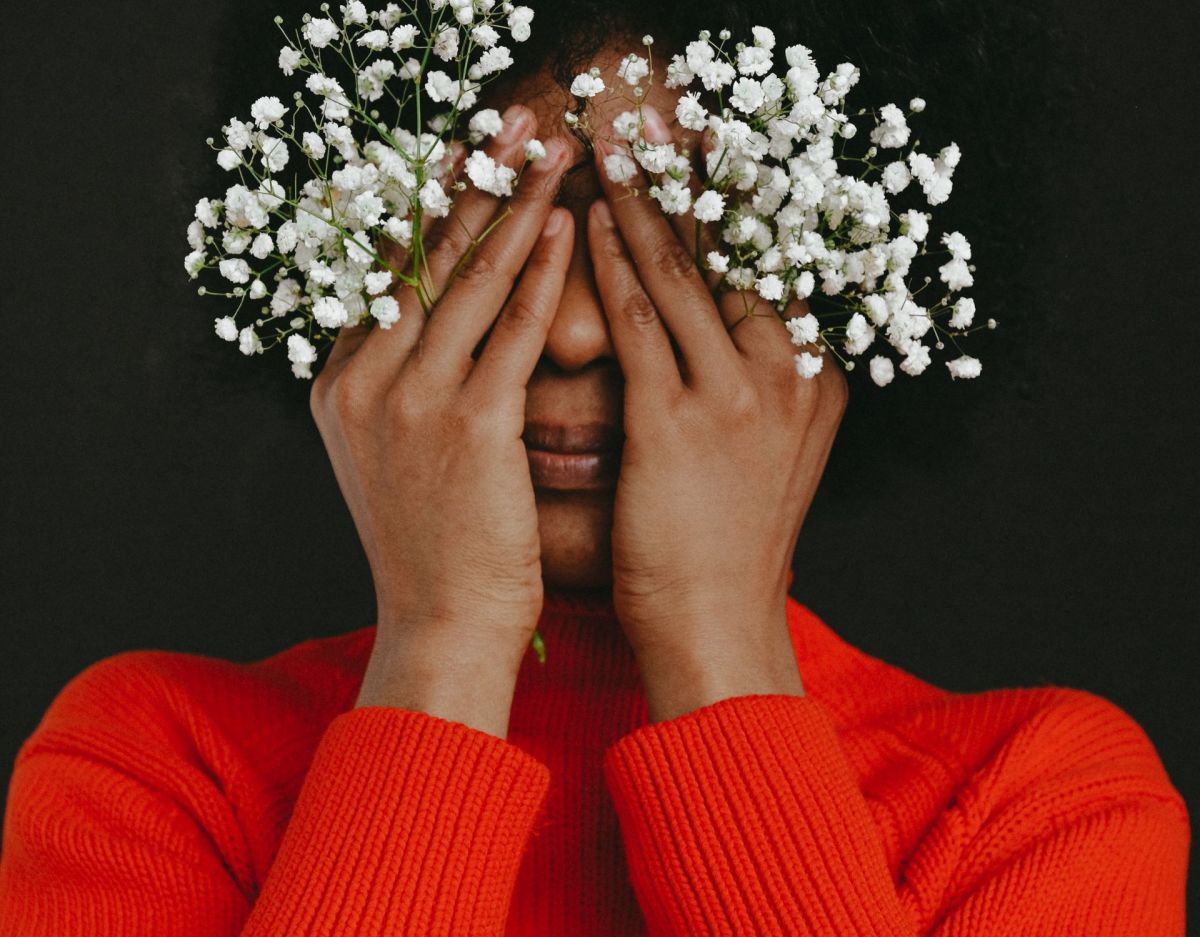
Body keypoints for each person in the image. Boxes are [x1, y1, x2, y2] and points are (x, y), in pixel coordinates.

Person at [0, 6, 1189, 935]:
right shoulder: (147, 772)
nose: (571, 331)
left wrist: (716, 640)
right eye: (494, 222)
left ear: (836, 270)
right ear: (352, 261)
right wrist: (446, 639)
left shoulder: (1041, 807)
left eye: (662, 228)